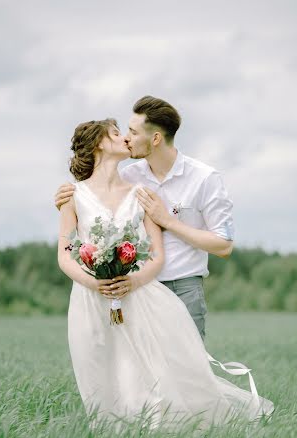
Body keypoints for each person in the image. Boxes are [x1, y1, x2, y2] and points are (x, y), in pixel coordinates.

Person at [58, 117, 274, 431]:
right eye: (117, 134)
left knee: (148, 373)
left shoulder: (141, 193)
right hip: (91, 299)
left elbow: (157, 256)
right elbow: (65, 255)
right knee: (103, 371)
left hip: (137, 295)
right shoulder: (72, 197)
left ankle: (158, 433)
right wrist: (96, 283)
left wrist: (130, 280)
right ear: (98, 144)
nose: (126, 139)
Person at [55, 95, 235, 342]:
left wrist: (169, 222)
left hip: (183, 287)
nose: (127, 138)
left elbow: (224, 245)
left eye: (132, 132)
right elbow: (96, 200)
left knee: (188, 368)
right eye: (123, 132)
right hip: (135, 291)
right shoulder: (129, 176)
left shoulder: (204, 178)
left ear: (156, 138)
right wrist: (68, 201)